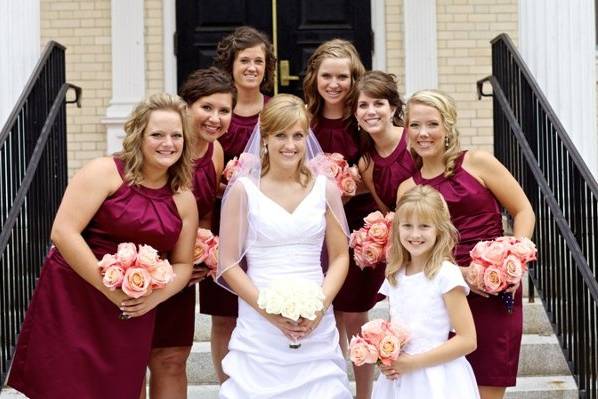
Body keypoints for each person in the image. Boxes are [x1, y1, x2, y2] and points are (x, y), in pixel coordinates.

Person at [7, 93, 199, 399]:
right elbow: (63, 232)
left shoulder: (183, 199)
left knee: (121, 387)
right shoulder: (104, 172)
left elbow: (182, 264)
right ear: (139, 135)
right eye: (157, 134)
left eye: (177, 135)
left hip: (134, 306)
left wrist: (152, 298)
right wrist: (110, 289)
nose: (168, 143)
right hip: (78, 296)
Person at [398, 90, 535, 399]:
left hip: (493, 289)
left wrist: (513, 260)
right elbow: (412, 250)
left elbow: (523, 211)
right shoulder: (408, 188)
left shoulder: (479, 162)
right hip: (443, 294)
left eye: (432, 124)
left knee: (487, 385)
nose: (423, 133)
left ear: (447, 127)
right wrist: (459, 274)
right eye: (415, 125)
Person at [216, 94, 352, 398]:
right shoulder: (243, 190)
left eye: (298, 135)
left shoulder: (325, 189)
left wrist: (320, 305)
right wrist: (267, 310)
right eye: (280, 135)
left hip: (316, 311)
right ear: (264, 138)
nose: (289, 144)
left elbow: (341, 256)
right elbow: (227, 262)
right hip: (259, 315)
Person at [145, 68, 236, 398]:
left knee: (172, 356)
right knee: (135, 355)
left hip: (182, 272)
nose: (215, 118)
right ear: (187, 108)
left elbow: (206, 211)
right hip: (143, 264)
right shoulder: (164, 150)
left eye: (224, 110)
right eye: (207, 107)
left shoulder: (216, 153)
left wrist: (202, 250)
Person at [303, 39, 378, 399]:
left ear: (354, 78)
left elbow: (380, 167)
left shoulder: (363, 119)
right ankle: (332, 389)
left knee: (355, 315)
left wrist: (351, 184)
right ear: (314, 77)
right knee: (328, 313)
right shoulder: (306, 120)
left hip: (359, 223)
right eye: (327, 76)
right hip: (316, 226)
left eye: (343, 77)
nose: (334, 84)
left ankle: (364, 394)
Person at [205, 26, 277, 382]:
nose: (251, 67)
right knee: (224, 314)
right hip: (223, 222)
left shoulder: (275, 110)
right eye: (244, 60)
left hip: (267, 224)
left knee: (263, 303)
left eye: (259, 61)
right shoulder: (220, 110)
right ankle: (227, 386)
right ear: (231, 65)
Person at [372, 185, 479, 398]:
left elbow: (468, 340)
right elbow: (396, 331)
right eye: (407, 226)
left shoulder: (446, 275)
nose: (415, 234)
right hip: (399, 380)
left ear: (439, 229)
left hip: (437, 378)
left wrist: (413, 364)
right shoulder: (395, 274)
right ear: (397, 228)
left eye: (424, 226)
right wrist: (386, 358)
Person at [354, 70, 416, 213]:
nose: (371, 111)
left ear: (392, 109)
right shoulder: (366, 164)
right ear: (356, 114)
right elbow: (386, 215)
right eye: (363, 105)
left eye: (378, 104)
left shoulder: (413, 141)